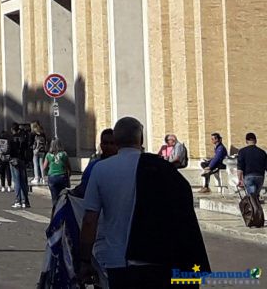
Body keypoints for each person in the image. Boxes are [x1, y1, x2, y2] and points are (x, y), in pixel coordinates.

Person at [79, 116, 209, 288]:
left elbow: (90, 220)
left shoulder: (100, 169)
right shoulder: (163, 169)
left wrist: (85, 260)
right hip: (159, 259)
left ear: (116, 140)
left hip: (118, 261)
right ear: (140, 140)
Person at [76, 127, 117, 195]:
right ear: (101, 145)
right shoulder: (93, 166)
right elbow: (84, 187)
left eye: (112, 143)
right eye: (105, 143)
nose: (109, 146)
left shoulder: (123, 165)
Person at [8, 123, 31, 209]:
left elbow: (8, 150)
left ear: (12, 129)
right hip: (22, 160)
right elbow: (26, 149)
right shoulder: (23, 138)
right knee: (23, 181)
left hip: (14, 160)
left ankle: (18, 200)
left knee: (16, 181)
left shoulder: (11, 138)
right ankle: (25, 201)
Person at [237, 132, 267, 199]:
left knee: (252, 199)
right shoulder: (262, 152)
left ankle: (254, 209)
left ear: (246, 141)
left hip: (248, 176)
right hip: (260, 176)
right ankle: (257, 208)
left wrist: (240, 179)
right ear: (256, 141)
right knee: (256, 197)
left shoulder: (242, 151)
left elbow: (240, 168)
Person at [44, 139, 71, 205]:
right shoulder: (64, 154)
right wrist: (69, 173)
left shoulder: (48, 155)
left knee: (54, 197)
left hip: (52, 176)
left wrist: (47, 173)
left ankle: (55, 211)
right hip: (62, 175)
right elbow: (68, 165)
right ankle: (62, 210)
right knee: (62, 196)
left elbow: (44, 167)